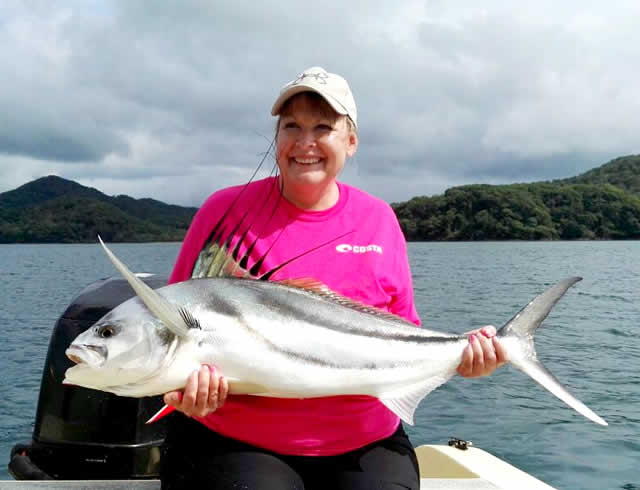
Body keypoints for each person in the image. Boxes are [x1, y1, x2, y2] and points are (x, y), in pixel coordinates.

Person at [160, 66, 508, 489]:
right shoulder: (223, 212)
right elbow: (172, 323)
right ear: (277, 137)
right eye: (292, 126)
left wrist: (461, 359)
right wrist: (182, 391)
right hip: (236, 438)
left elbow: (404, 334)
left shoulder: (378, 219)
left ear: (351, 140)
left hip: (367, 439)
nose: (305, 143)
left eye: (323, 127)